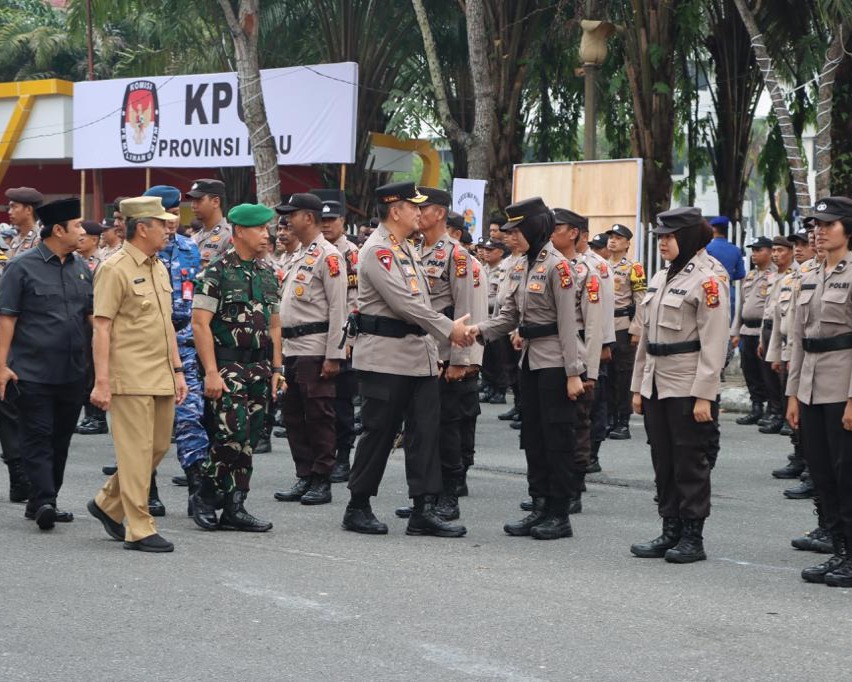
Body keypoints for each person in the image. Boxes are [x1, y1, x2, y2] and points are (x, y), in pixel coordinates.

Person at [341, 181, 471, 537]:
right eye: (413, 207)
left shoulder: (406, 248)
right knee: (378, 433)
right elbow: (405, 304)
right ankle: (358, 504)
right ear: (394, 211)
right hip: (385, 357)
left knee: (424, 434)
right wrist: (449, 329)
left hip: (418, 356)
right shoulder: (377, 251)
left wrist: (445, 337)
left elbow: (420, 304)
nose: (419, 212)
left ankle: (423, 508)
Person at [468, 197, 585, 540]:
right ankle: (539, 505)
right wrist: (480, 332)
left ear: (534, 228)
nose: (510, 238)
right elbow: (509, 317)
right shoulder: (520, 265)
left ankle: (559, 513)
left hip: (555, 364)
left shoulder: (558, 267)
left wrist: (574, 373)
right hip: (529, 362)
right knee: (532, 437)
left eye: (516, 231)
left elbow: (567, 325)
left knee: (557, 438)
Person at [87, 196, 188, 553]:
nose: (168, 227)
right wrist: (102, 381)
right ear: (142, 228)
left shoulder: (158, 266)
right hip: (129, 376)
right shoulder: (114, 268)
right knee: (135, 452)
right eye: (161, 223)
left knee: (157, 447)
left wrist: (177, 370)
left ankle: (107, 503)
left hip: (160, 372)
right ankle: (140, 527)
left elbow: (167, 325)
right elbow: (101, 328)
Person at [629, 207, 729, 563]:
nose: (663, 243)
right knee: (664, 460)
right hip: (657, 383)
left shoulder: (707, 280)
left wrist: (705, 394)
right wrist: (638, 386)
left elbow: (714, 343)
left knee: (690, 461)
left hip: (687, 385)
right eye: (660, 237)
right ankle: (669, 528)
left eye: (669, 237)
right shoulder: (659, 278)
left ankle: (692, 535)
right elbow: (645, 340)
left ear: (686, 237)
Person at [392, 187, 484, 520]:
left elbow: (468, 312)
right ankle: (425, 494)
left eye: (424, 207)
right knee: (419, 430)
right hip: (419, 354)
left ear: (440, 213)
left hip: (447, 357)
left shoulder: (457, 256)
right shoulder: (413, 250)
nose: (418, 213)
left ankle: (449, 495)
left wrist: (462, 362)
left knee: (447, 429)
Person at [190, 203, 283, 533]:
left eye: (266, 228)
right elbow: (200, 325)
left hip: (258, 368)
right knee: (232, 435)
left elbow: (274, 327)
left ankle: (235, 505)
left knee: (249, 440)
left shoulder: (266, 274)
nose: (266, 234)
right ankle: (203, 493)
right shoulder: (214, 273)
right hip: (227, 366)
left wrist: (277, 369)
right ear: (240, 231)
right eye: (259, 229)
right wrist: (211, 372)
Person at [0, 198, 90, 530]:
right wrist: (1, 366)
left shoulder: (80, 268)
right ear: (58, 229)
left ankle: (42, 498)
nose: (82, 230)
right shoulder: (21, 267)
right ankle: (45, 499)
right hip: (32, 371)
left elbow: (91, 318)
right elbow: (6, 318)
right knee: (37, 436)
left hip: (72, 371)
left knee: (61, 439)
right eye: (77, 225)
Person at [785, 197, 852, 587]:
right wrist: (793, 394)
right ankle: (839, 550)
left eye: (829, 224)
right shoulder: (809, 273)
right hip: (809, 385)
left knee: (846, 474)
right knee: (823, 473)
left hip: (841, 386)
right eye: (816, 225)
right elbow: (798, 337)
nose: (819, 231)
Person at [272, 193, 347, 505]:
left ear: (309, 217)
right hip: (291, 348)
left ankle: (322, 478)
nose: (287, 219)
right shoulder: (296, 254)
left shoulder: (329, 256)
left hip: (315, 348)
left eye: (293, 213)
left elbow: (339, 310)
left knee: (319, 415)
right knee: (293, 415)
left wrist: (334, 355)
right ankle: (304, 474)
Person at [143, 184, 206, 516]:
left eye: (173, 214)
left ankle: (198, 489)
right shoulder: (136, 253)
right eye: (163, 215)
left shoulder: (188, 248)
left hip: (183, 344)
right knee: (147, 422)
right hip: (147, 345)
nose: (170, 222)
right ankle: (147, 487)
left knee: (190, 416)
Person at [551, 208, 604, 514]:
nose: (550, 233)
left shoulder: (587, 272)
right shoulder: (547, 266)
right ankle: (551, 488)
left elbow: (594, 327)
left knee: (575, 425)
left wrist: (591, 372)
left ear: (573, 233)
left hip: (579, 353)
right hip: (549, 353)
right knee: (550, 426)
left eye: (556, 228)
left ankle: (573, 488)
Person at [319, 199, 360, 482]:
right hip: (317, 335)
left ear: (343, 221)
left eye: (332, 219)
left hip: (344, 336)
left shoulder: (350, 253)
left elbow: (354, 300)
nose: (327, 224)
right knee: (321, 404)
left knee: (342, 402)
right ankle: (324, 457)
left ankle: (343, 457)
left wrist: (348, 338)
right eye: (323, 219)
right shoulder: (314, 251)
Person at [606, 224, 646, 441]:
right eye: (611, 237)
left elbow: (640, 301)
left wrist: (637, 329)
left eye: (618, 238)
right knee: (607, 375)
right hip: (605, 326)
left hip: (623, 326)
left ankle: (623, 421)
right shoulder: (601, 266)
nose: (612, 241)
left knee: (623, 375)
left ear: (627, 243)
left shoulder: (634, 267)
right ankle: (609, 418)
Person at [731, 236, 775, 426]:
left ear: (770, 252)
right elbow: (742, 304)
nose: (754, 254)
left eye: (759, 250)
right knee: (749, 372)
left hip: (763, 331)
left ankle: (771, 409)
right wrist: (735, 331)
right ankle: (756, 407)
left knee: (766, 372)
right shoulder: (750, 276)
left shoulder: (775, 275)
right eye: (753, 250)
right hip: (746, 329)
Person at [757, 235, 797, 435]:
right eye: (774, 250)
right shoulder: (772, 275)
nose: (776, 254)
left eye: (780, 250)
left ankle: (782, 414)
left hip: (783, 329)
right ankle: (774, 412)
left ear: (790, 252)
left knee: (782, 375)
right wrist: (760, 337)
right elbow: (768, 307)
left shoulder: (795, 274)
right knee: (769, 375)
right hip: (769, 328)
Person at [74, 220, 109, 437]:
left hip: (97, 320)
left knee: (94, 369)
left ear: (94, 240)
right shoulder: (77, 261)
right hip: (81, 322)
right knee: (84, 369)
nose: (79, 239)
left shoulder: (103, 262)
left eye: (83, 237)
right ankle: (89, 415)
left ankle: (97, 417)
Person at [706, 216, 746, 322]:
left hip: (708, 289)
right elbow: (741, 274)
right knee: (728, 324)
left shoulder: (707, 248)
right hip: (729, 290)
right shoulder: (735, 250)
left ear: (713, 229)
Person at [187, 178, 232, 266]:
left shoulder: (229, 236)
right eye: (192, 201)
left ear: (216, 202)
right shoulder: (194, 238)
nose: (193, 206)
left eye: (198, 200)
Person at [5, 187, 43, 258]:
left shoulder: (40, 240)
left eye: (14, 207)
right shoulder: (15, 240)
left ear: (28, 209)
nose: (9, 212)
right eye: (9, 208)